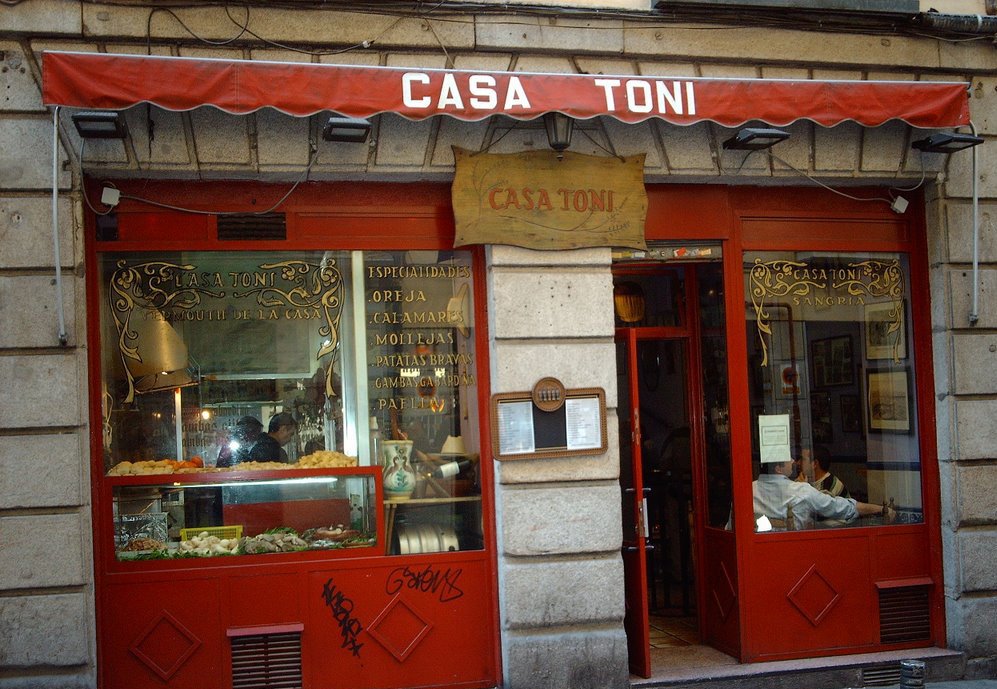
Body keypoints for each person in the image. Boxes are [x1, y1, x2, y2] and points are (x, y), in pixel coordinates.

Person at [754, 456, 893, 531]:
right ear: (778, 469)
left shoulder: (749, 489)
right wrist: (880, 509)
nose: (793, 461)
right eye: (788, 458)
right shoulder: (801, 491)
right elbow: (840, 508)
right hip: (796, 551)